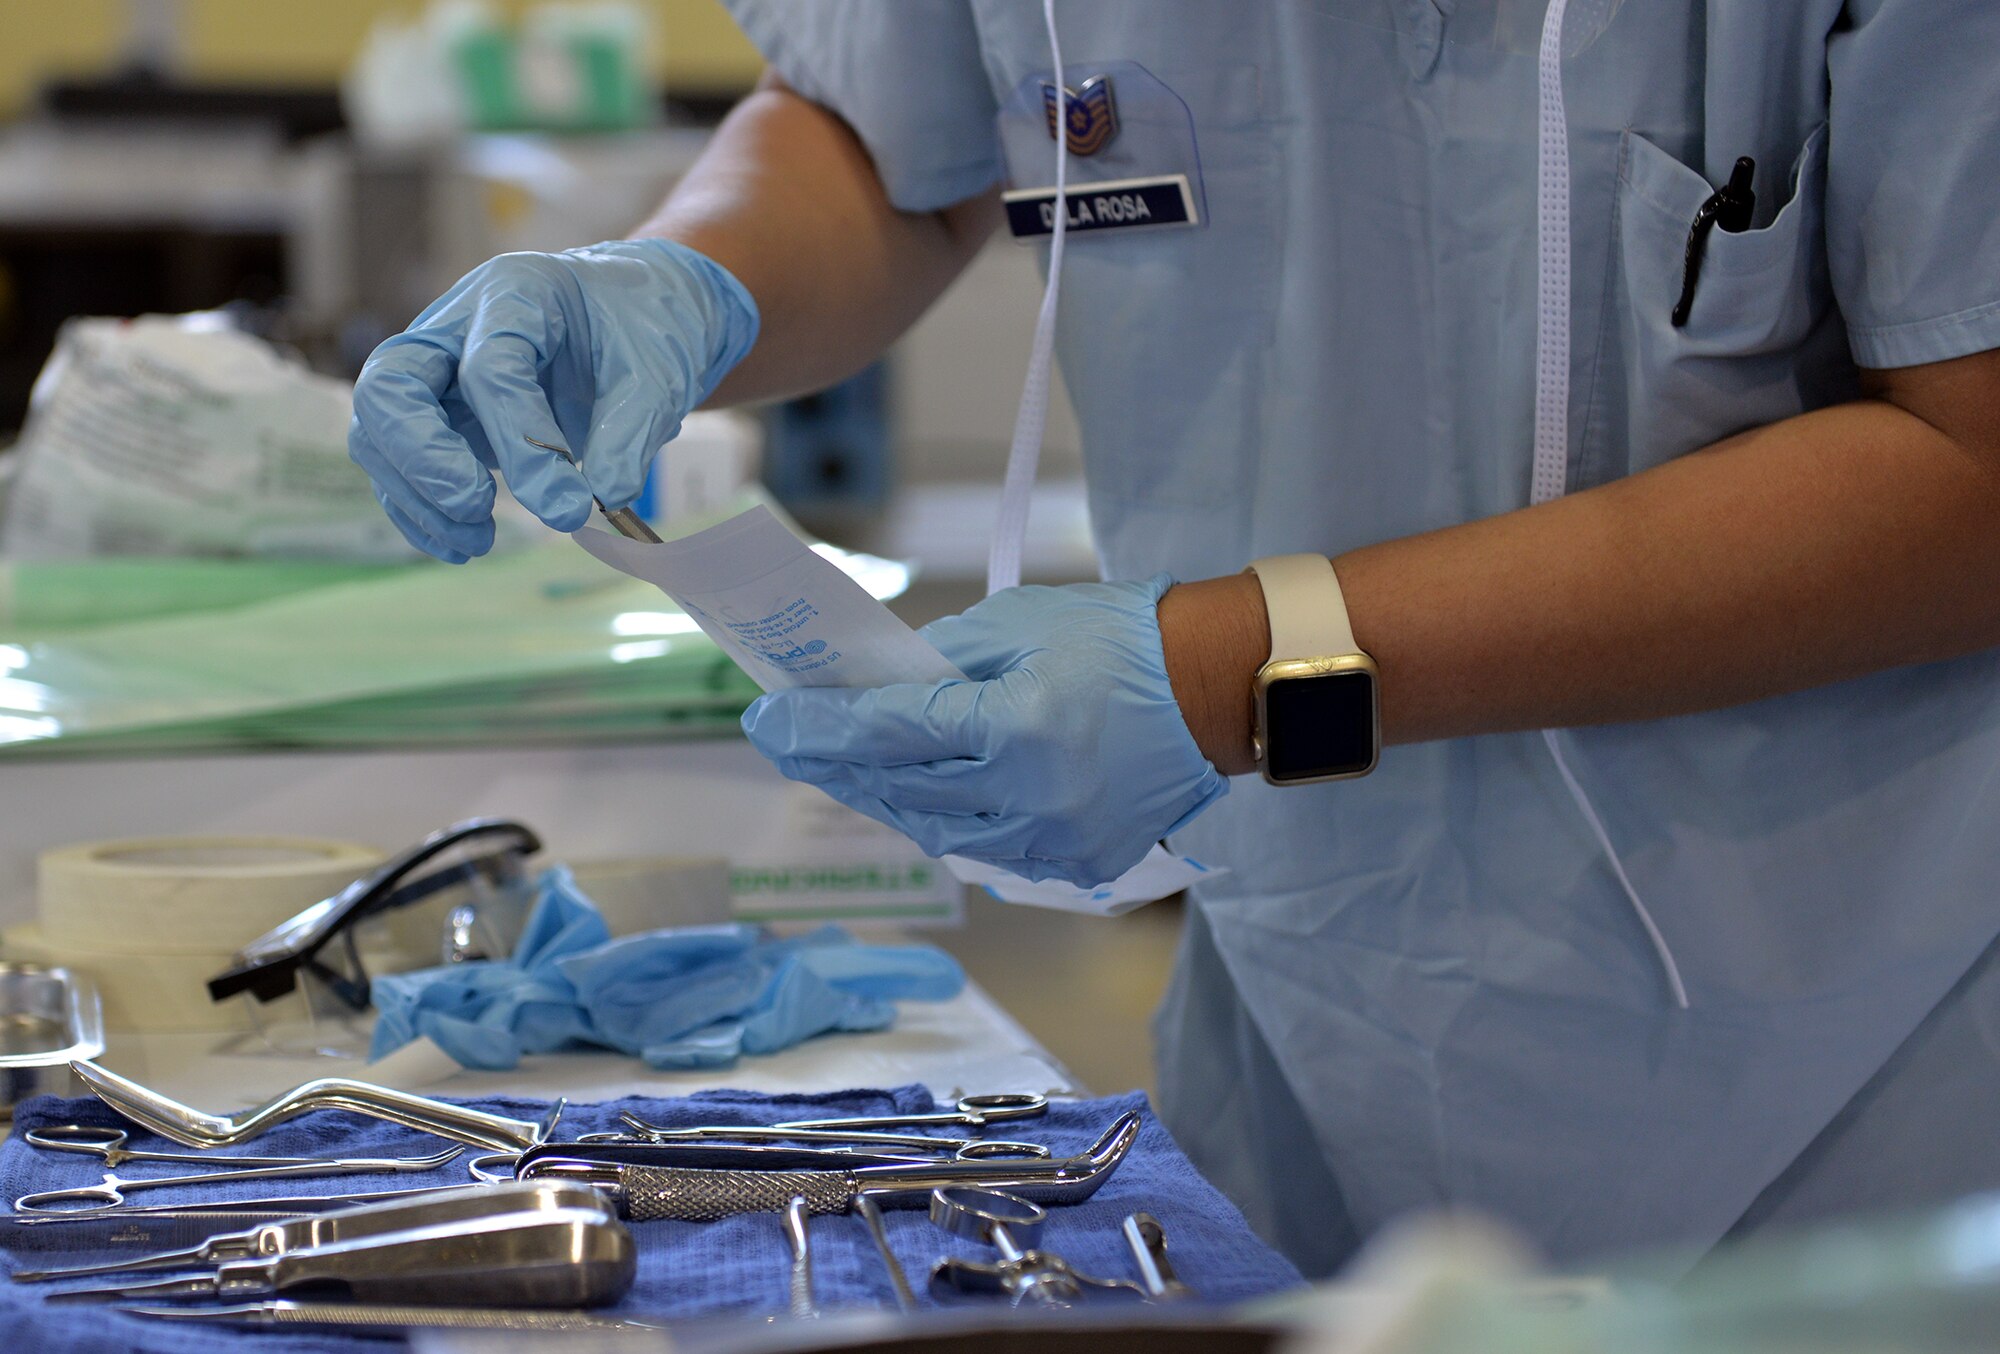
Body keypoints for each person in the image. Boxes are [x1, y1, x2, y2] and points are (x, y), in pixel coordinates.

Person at [348, 2, 2000, 1276]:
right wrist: (675, 277)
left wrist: (1235, 667)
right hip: (1303, 1016)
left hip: (1861, 1071)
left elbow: (1973, 466)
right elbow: (892, 136)